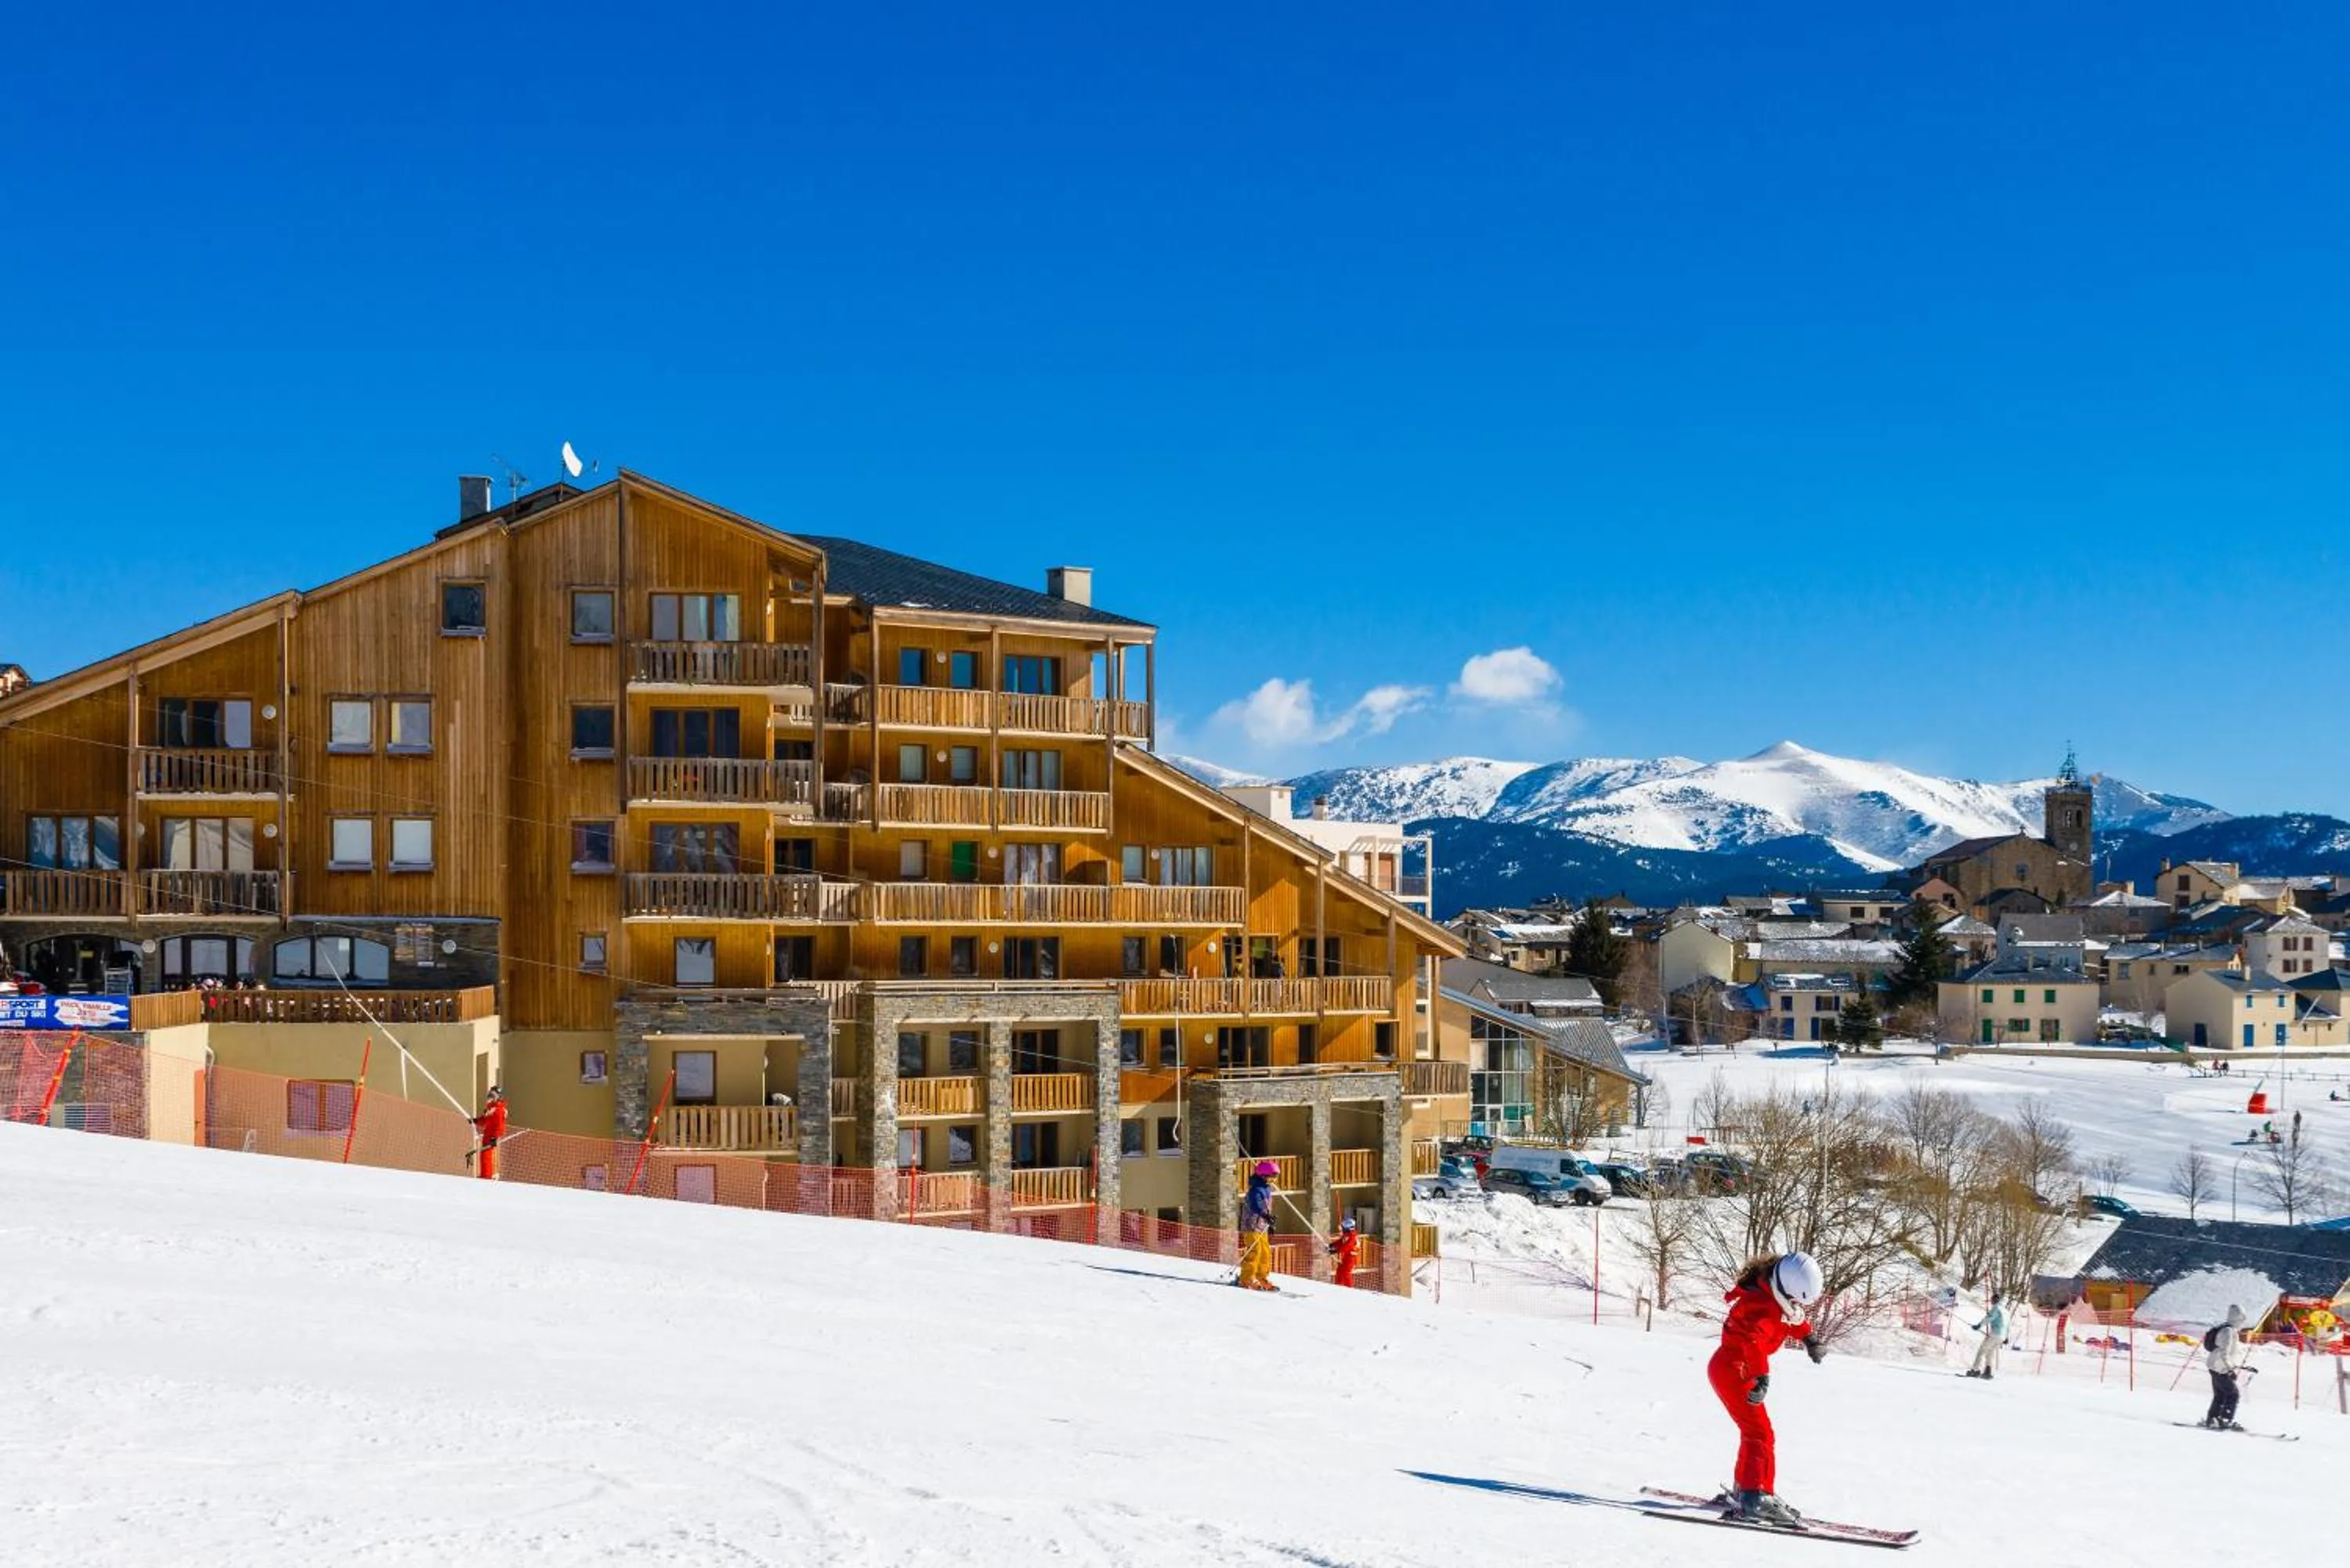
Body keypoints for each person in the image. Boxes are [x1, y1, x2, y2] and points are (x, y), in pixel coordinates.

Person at [1709, 1252, 1828, 1526]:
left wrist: (1809, 1338)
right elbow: (1752, 1341)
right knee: (1759, 1432)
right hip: (1736, 1369)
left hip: (1733, 1367)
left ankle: (1746, 1489)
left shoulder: (1775, 1295)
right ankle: (1755, 1496)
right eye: (1796, 1299)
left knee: (1754, 1430)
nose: (1797, 1305)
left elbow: (1792, 1319)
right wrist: (1760, 1377)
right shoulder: (1761, 1305)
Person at [2201, 1304, 2251, 1430]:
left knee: (2220, 1395)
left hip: (2216, 1366)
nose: (2243, 1322)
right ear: (2238, 1318)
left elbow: (2230, 1352)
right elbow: (2225, 1353)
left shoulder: (2226, 1328)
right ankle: (2225, 1420)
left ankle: (2212, 1419)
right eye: (2242, 1319)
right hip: (2220, 1368)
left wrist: (2239, 1366)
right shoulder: (2228, 1331)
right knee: (2233, 1395)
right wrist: (2230, 1369)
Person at [1237, 1160, 1278, 1291]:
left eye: (1275, 1177)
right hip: (1251, 1225)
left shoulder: (1266, 1189)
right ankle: (1246, 1279)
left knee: (1265, 1252)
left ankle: (1261, 1277)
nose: (1274, 1180)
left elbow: (1266, 1208)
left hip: (1261, 1226)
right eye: (1272, 1177)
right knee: (1255, 1251)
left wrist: (1269, 1223)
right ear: (1263, 1176)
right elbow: (1257, 1206)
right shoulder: (1255, 1190)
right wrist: (1266, 1216)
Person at [1965, 1291, 2008, 1379]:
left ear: (1995, 1300)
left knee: (1982, 1351)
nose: (1991, 1302)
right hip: (2002, 1336)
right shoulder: (2006, 1311)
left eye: (1992, 1300)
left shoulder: (1997, 1308)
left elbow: (1989, 1318)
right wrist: (2006, 1337)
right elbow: (2008, 1325)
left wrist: (1979, 1325)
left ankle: (1975, 1370)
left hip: (1995, 1333)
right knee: (1990, 1353)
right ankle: (1988, 1371)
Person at [471, 1086, 508, 1180]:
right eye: (490, 1094)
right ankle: (485, 1175)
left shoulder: (499, 1109)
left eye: (492, 1094)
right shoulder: (491, 1108)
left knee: (487, 1156)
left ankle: (487, 1177)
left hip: (492, 1136)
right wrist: (475, 1121)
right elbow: (485, 1120)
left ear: (498, 1096)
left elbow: (500, 1126)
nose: (490, 1096)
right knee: (484, 1155)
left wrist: (495, 1137)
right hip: (488, 1135)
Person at [1327, 1216, 1360, 1288]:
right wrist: (1332, 1245)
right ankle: (1338, 1286)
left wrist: (1335, 1251)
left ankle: (1350, 1289)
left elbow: (1347, 1247)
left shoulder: (1353, 1237)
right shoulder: (1347, 1235)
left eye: (1344, 1228)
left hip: (1351, 1258)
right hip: (1345, 1257)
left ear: (1348, 1228)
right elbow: (1341, 1242)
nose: (1343, 1230)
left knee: (1346, 1273)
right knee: (1339, 1272)